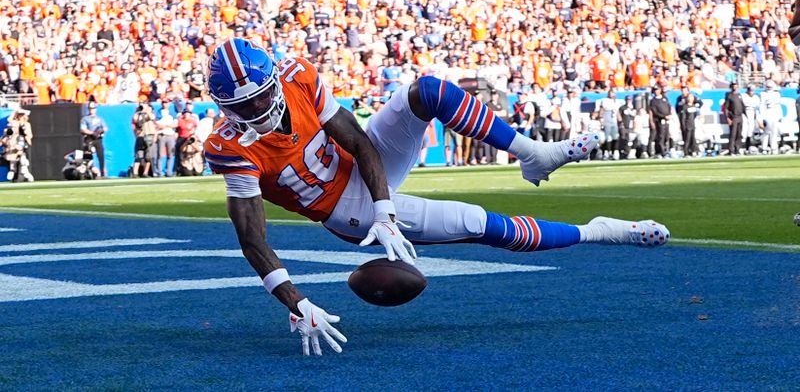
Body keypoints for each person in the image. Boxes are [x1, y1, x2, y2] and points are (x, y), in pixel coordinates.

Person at [203, 39, 669, 357]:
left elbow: (360, 142)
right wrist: (297, 302)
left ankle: (534, 154)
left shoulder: (297, 75)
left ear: (272, 81)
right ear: (223, 106)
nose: (256, 111)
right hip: (347, 210)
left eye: (261, 97)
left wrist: (387, 209)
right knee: (482, 225)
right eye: (241, 106)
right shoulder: (228, 148)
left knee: (426, 91)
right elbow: (252, 237)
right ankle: (597, 231)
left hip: (367, 169)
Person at [80, 102, 107, 177]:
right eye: (91, 109)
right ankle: (88, 173)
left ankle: (102, 173)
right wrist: (92, 133)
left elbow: (105, 128)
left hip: (98, 139)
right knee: (88, 156)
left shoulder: (99, 119)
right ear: (89, 109)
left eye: (94, 108)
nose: (92, 110)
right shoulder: (85, 119)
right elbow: (83, 129)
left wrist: (101, 131)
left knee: (101, 156)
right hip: (89, 139)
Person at [131, 103, 156, 177]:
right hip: (141, 136)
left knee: (148, 156)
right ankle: (135, 173)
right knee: (139, 155)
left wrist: (147, 110)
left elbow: (152, 117)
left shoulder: (150, 114)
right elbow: (135, 120)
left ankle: (145, 172)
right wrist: (138, 111)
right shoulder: (138, 115)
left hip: (149, 135)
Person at [759, 80, 783, 154]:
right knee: (767, 131)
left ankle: (774, 147)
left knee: (774, 131)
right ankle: (764, 148)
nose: (769, 88)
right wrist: (762, 117)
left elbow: (778, 106)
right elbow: (762, 106)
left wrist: (780, 115)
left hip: (775, 113)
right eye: (768, 87)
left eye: (770, 87)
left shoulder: (777, 94)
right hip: (767, 112)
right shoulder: (763, 94)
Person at [649, 85, 672, 158]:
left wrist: (669, 115)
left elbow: (669, 107)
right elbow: (654, 112)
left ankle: (666, 150)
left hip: (667, 120)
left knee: (666, 136)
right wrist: (663, 116)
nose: (657, 91)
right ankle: (661, 152)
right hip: (659, 120)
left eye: (658, 90)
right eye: (655, 90)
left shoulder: (665, 98)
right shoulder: (653, 101)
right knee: (660, 136)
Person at [724, 81, 745, 155]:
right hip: (734, 117)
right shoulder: (729, 96)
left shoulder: (739, 95)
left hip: (740, 117)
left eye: (736, 86)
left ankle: (737, 149)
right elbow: (726, 108)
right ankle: (731, 150)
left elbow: (742, 105)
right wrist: (728, 118)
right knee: (733, 134)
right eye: (733, 86)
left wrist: (745, 114)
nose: (735, 87)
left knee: (739, 134)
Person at [742, 85, 761, 151]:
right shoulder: (743, 96)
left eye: (752, 90)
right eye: (750, 90)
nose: (751, 92)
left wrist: (756, 115)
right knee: (744, 128)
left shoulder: (756, 97)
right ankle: (745, 144)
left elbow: (757, 107)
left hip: (753, 112)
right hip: (745, 112)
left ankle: (749, 144)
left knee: (751, 128)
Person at [618, 95, 636, 159]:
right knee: (623, 139)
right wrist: (621, 124)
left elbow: (634, 118)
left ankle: (628, 153)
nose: (629, 101)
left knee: (630, 140)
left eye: (630, 99)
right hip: (624, 126)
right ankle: (622, 153)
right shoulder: (622, 108)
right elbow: (619, 116)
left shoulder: (633, 108)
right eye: (628, 99)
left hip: (631, 126)